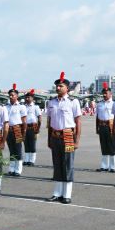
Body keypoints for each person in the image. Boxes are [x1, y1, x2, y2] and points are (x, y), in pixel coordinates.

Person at [45, 72, 82, 204]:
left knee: (67, 165)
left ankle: (66, 194)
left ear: (67, 88)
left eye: (60, 86)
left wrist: (77, 140)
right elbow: (49, 122)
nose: (58, 88)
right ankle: (57, 192)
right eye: (57, 86)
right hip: (55, 136)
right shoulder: (51, 102)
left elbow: (78, 122)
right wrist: (49, 139)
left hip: (67, 135)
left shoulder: (73, 102)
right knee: (57, 164)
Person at [6, 84, 27, 176]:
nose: (11, 97)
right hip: (8, 130)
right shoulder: (6, 107)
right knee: (11, 150)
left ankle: (18, 170)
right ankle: (11, 168)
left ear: (17, 96)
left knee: (18, 149)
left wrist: (24, 133)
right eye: (10, 95)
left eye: (13, 95)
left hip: (17, 129)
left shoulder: (21, 107)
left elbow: (24, 121)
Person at [95, 83, 115, 173]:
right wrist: (97, 128)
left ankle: (112, 167)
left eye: (106, 93)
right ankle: (104, 166)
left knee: (112, 146)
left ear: (110, 94)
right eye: (103, 93)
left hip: (111, 126)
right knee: (103, 146)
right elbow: (97, 117)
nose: (104, 95)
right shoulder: (99, 104)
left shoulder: (114, 104)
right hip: (102, 126)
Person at [23, 90, 42, 167]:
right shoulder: (23, 107)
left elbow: (39, 118)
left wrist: (38, 128)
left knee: (32, 144)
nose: (27, 99)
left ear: (32, 98)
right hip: (24, 127)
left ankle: (32, 160)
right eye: (26, 97)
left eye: (29, 97)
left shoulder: (35, 107)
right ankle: (27, 160)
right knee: (26, 143)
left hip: (33, 127)